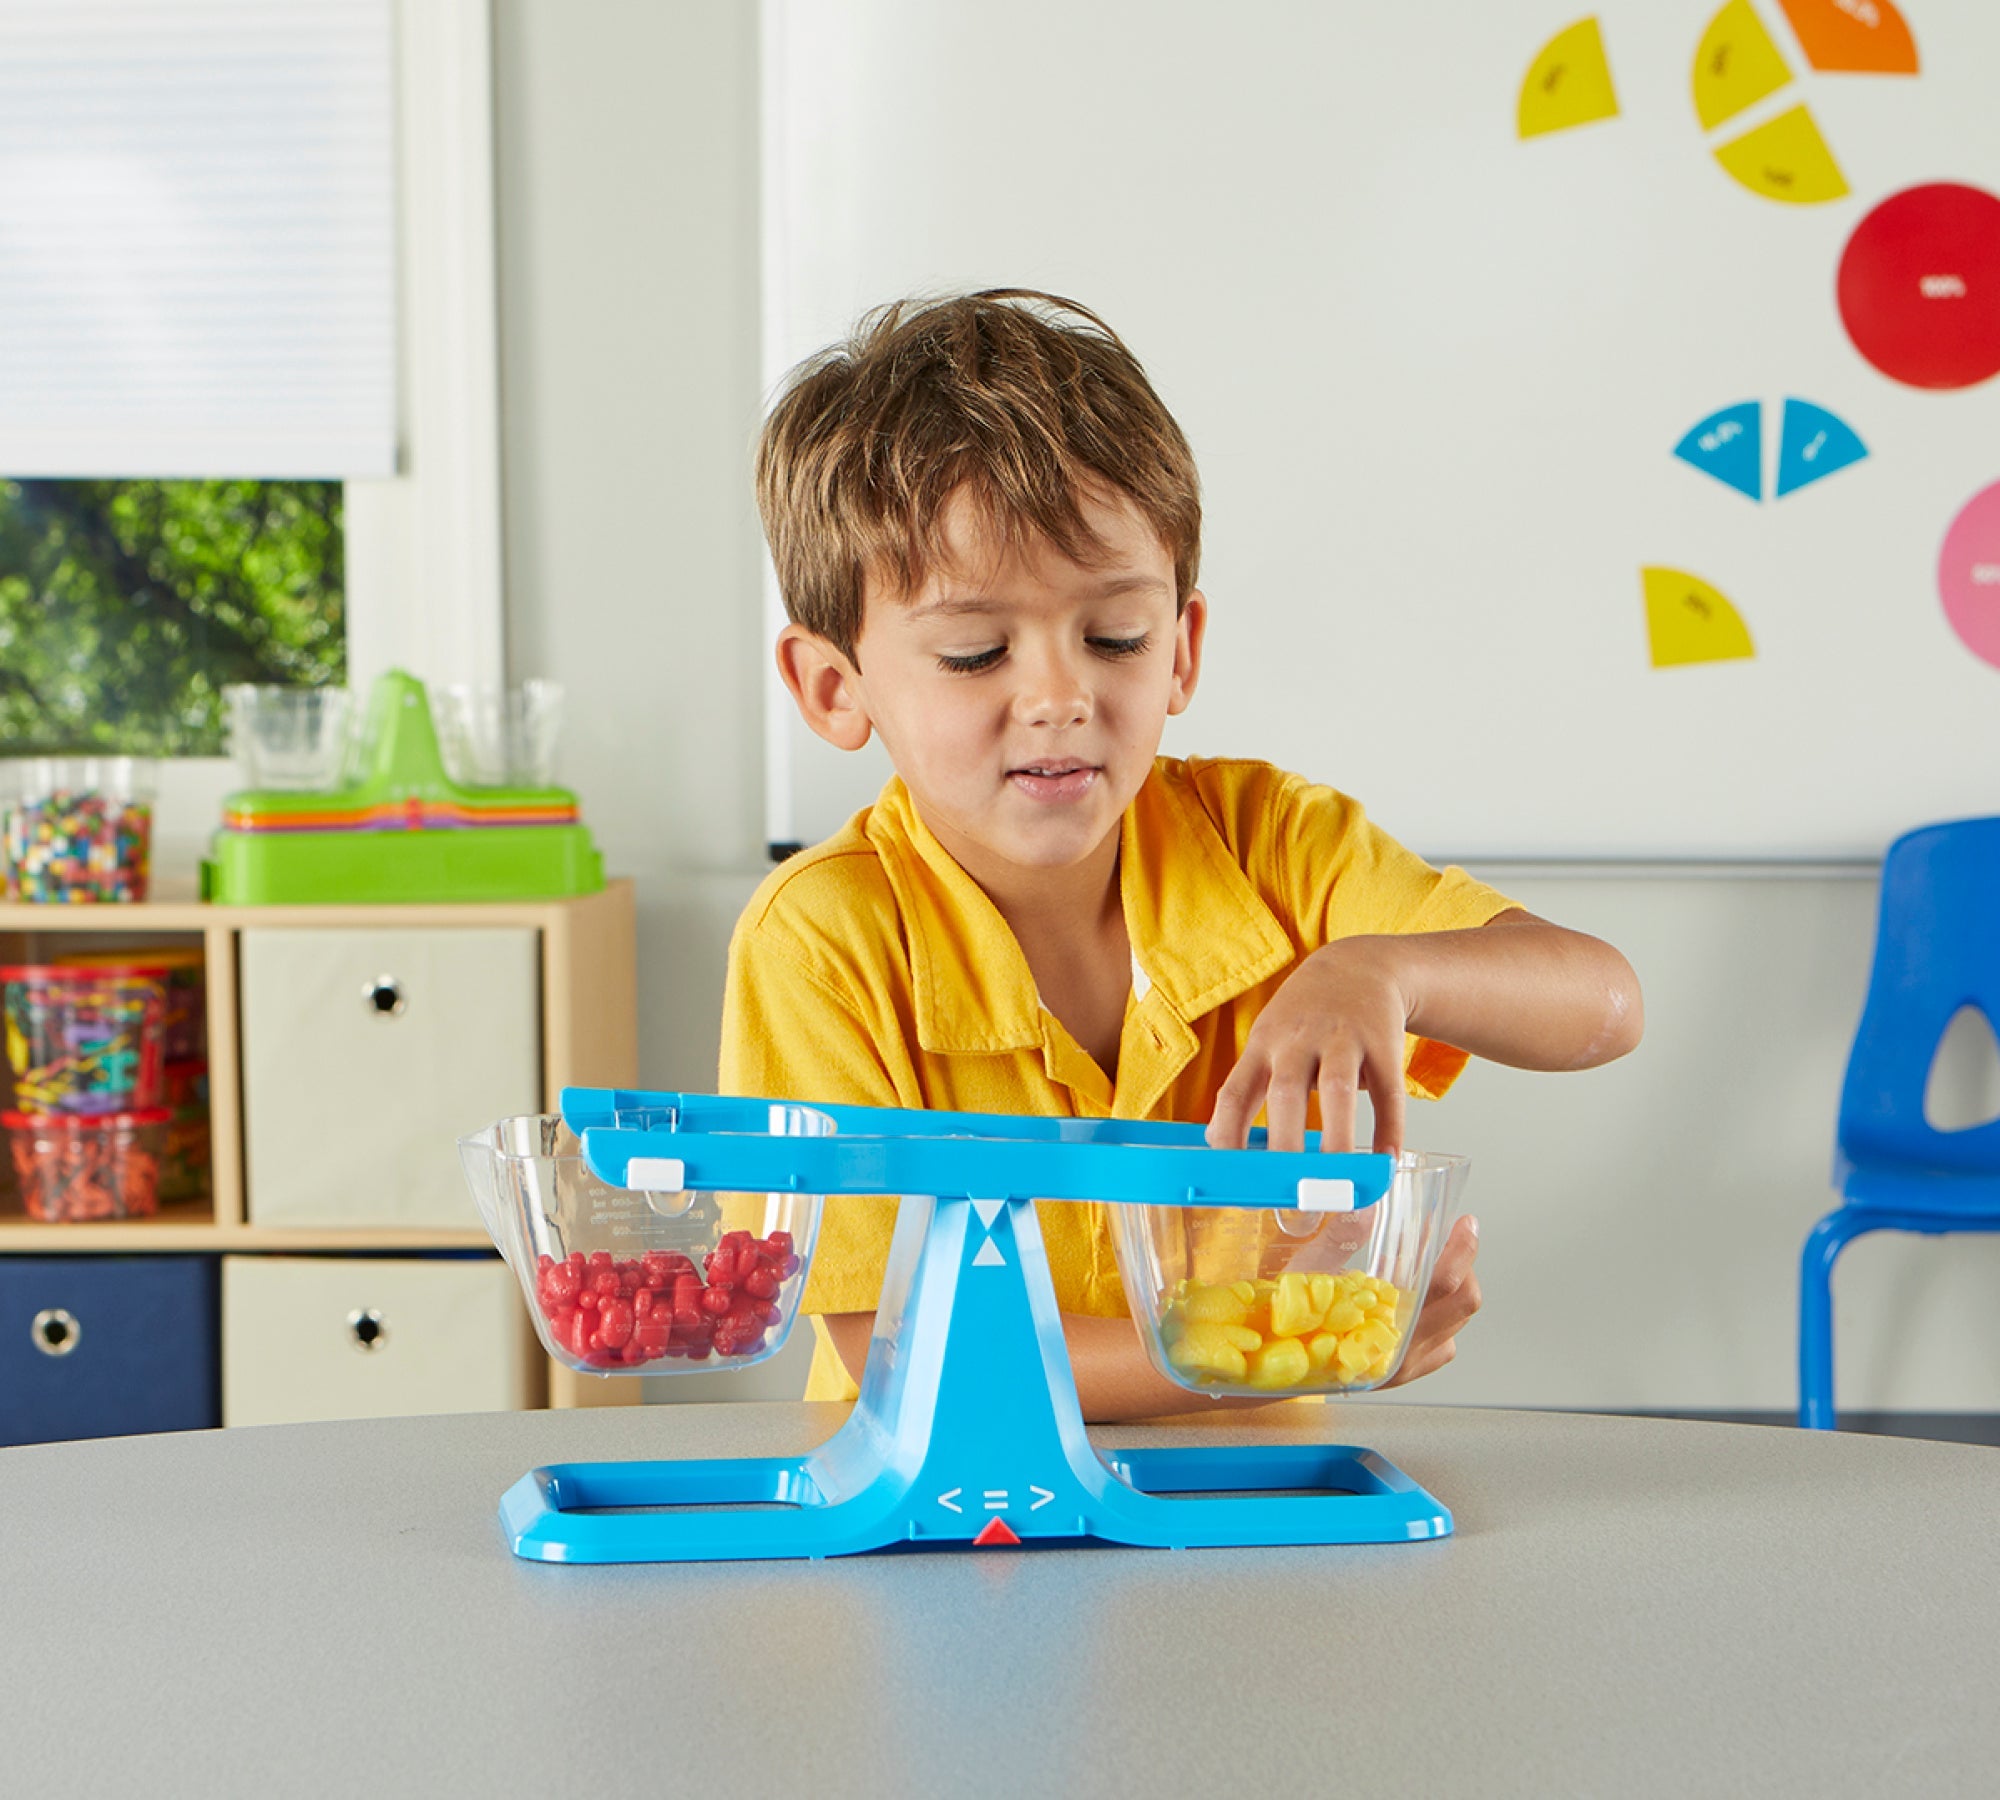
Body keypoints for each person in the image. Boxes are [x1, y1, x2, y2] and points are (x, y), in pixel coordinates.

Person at [722, 289, 1643, 1421]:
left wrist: (1382, 972)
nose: (1059, 697)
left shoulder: (1273, 844)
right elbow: (896, 1349)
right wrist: (1276, 1343)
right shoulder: (821, 940)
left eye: (1115, 638)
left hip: (1249, 1531)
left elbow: (1604, 1001)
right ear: (831, 685)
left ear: (1181, 650)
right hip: (942, 1546)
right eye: (974, 654)